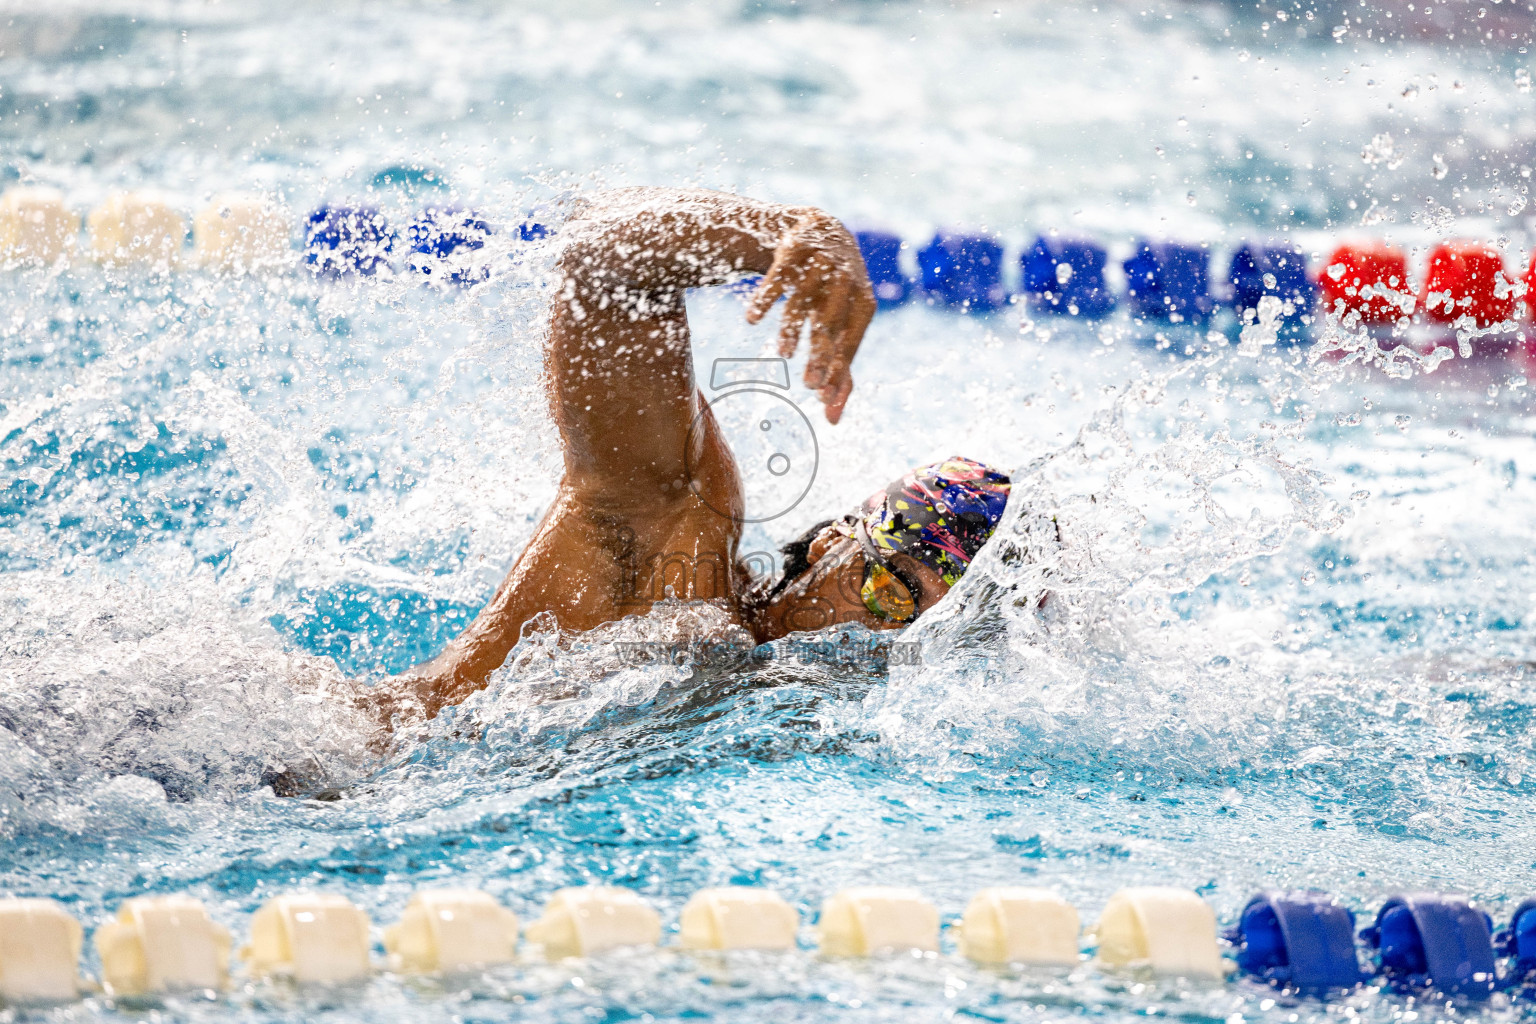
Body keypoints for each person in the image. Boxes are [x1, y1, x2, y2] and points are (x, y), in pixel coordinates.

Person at [367, 188, 1012, 730]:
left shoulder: (792, 719)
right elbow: (601, 261)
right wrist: (789, 232)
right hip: (321, 772)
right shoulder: (677, 543)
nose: (887, 642)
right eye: (891, 590)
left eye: (937, 637)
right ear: (831, 545)